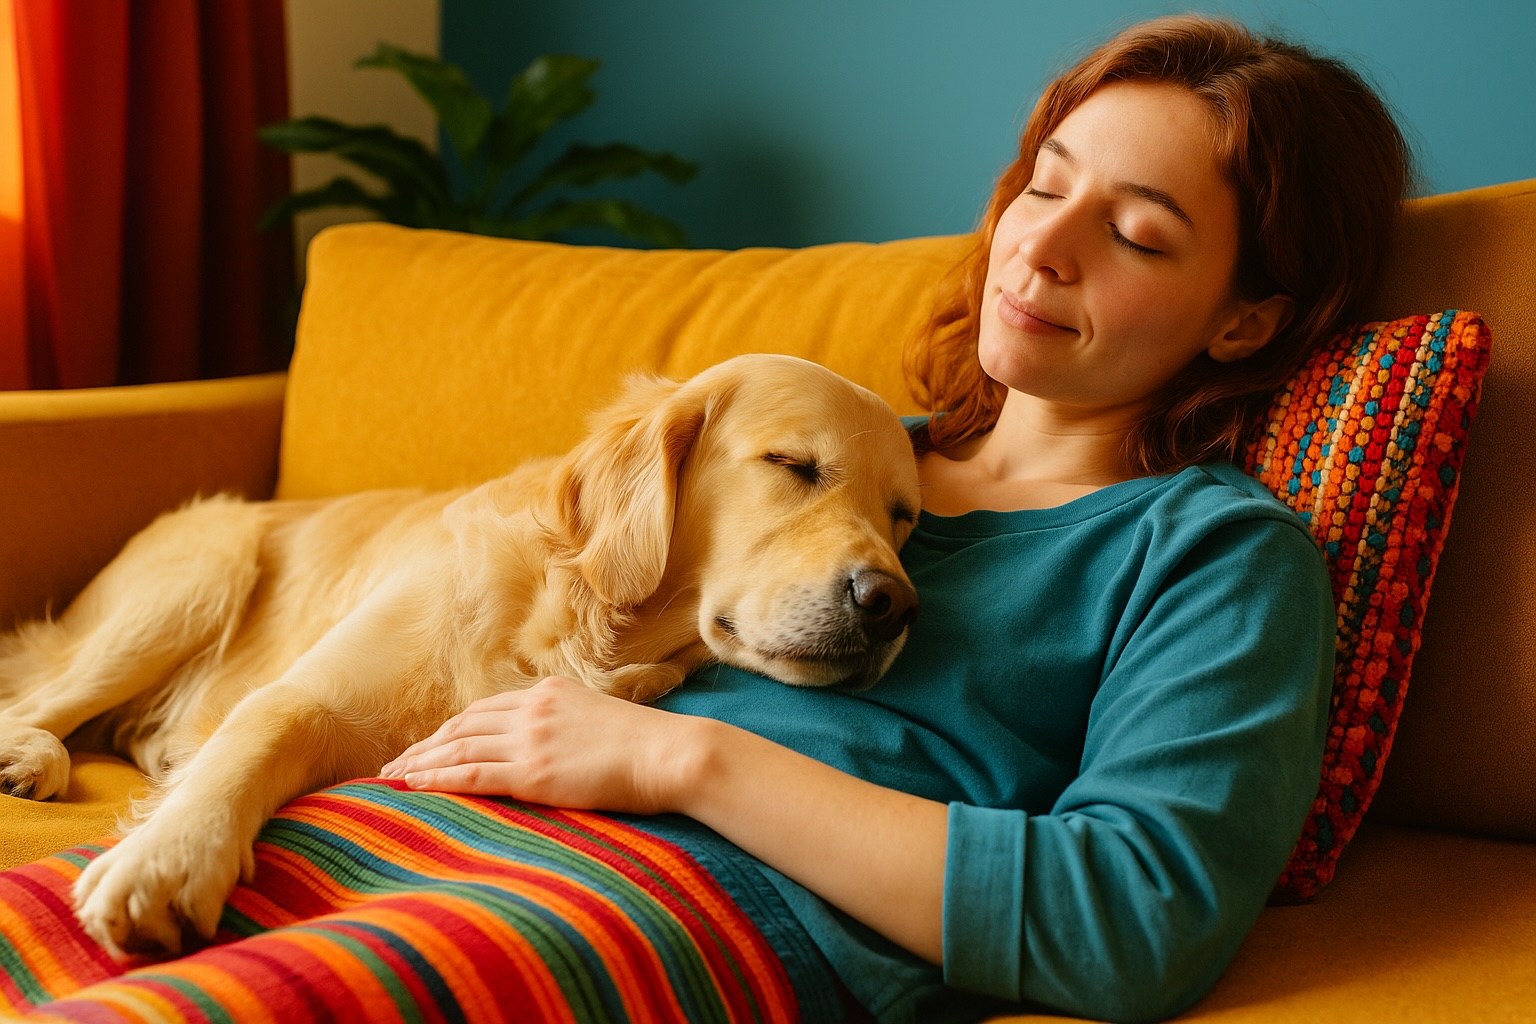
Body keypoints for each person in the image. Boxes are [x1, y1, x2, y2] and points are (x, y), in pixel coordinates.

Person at [377, 14, 1414, 1023]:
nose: (1041, 243)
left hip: (671, 913)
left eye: (1136, 235)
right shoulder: (824, 448)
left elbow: (1134, 920)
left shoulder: (1214, 556)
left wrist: (676, 759)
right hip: (416, 822)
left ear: (1244, 320)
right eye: (1043, 185)